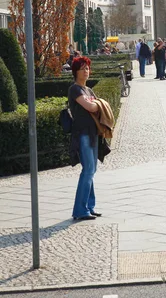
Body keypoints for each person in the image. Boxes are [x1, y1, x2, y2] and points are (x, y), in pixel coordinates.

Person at [68, 56, 101, 221]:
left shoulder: (88, 90)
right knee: (88, 170)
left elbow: (95, 105)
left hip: (93, 133)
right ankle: (80, 210)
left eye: (87, 68)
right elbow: (91, 106)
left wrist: (96, 104)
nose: (86, 71)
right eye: (83, 68)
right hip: (82, 134)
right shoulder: (75, 89)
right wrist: (97, 104)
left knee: (92, 170)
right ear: (76, 72)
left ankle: (89, 206)